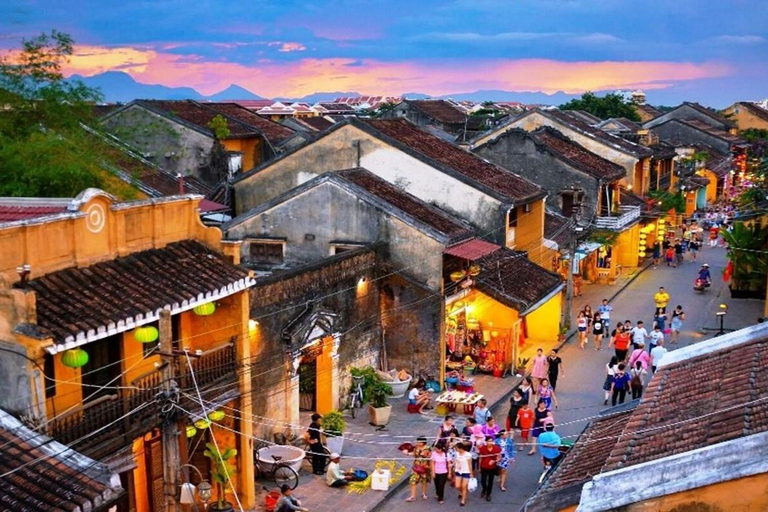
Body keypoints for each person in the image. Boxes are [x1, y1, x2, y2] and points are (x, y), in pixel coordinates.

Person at [405, 436, 431, 502]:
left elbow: (427, 455)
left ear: (423, 442)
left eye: (419, 442)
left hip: (424, 466)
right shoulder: (415, 447)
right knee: (413, 480)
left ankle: (424, 493)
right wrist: (407, 453)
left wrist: (422, 454)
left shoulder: (427, 448)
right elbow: (414, 454)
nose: (417, 443)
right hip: (416, 466)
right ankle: (413, 496)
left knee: (424, 481)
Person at [478, 436, 501, 502]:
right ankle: (484, 489)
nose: (490, 442)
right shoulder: (482, 448)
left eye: (491, 441)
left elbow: (499, 457)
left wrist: (494, 461)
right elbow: (480, 458)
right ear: (486, 442)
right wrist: (479, 467)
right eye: (488, 441)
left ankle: (488, 494)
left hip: (492, 467)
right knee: (483, 480)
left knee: (490, 481)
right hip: (483, 467)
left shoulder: (497, 448)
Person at [430, 440, 451, 505]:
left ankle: (440, 497)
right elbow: (432, 463)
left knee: (441, 485)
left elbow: (449, 463)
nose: (436, 450)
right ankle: (437, 493)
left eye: (437, 449)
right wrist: (433, 472)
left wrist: (449, 473)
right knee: (436, 484)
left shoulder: (446, 454)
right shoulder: (434, 454)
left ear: (441, 449)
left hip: (444, 472)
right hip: (436, 471)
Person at [453, 441, 473, 507]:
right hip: (458, 471)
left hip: (466, 471)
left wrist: (471, 473)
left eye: (457, 448)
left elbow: (470, 464)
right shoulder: (457, 454)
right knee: (457, 486)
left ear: (461, 448)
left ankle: (463, 500)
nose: (456, 449)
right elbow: (455, 461)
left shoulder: (468, 455)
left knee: (464, 486)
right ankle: (462, 492)